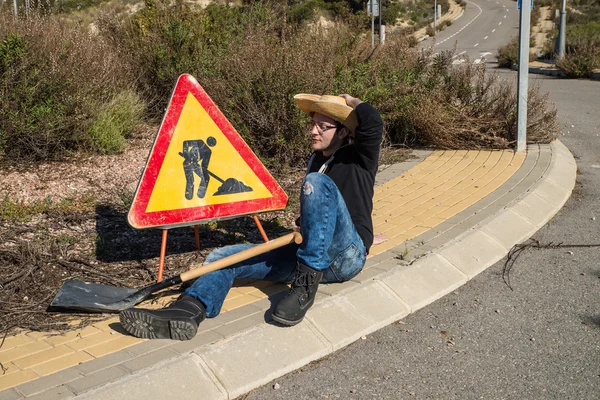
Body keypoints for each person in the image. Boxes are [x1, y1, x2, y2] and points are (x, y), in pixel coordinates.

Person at [119, 94, 383, 340]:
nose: (313, 131)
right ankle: (189, 310)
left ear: (345, 131)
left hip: (345, 255)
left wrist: (353, 102)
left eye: (322, 127)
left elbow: (372, 123)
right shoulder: (316, 160)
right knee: (222, 258)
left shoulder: (358, 158)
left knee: (316, 183)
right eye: (312, 124)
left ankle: (303, 291)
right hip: (311, 252)